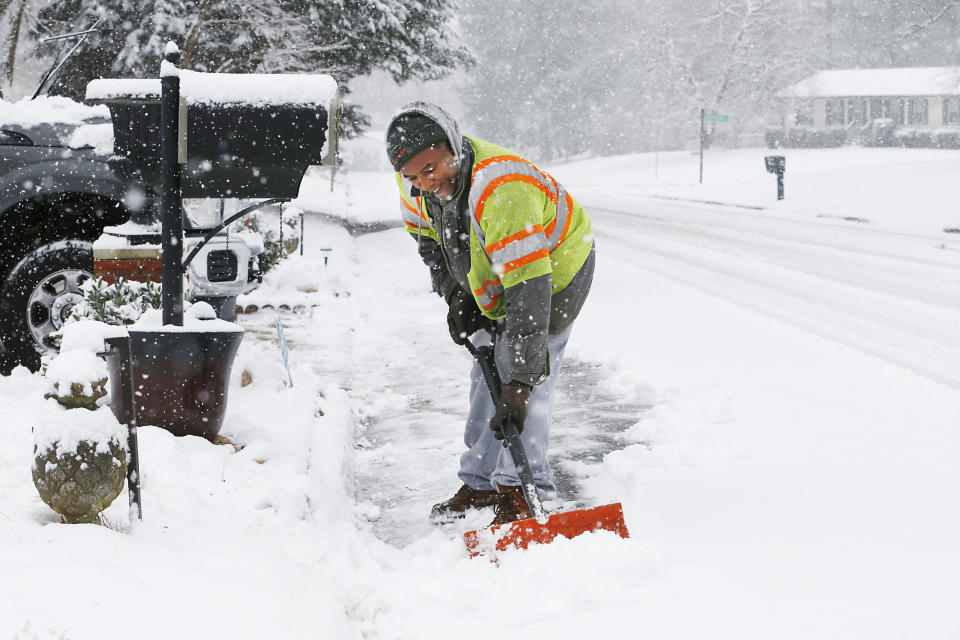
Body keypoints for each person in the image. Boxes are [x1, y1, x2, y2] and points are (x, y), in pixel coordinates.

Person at [385, 101, 596, 526]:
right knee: (486, 373)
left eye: (432, 169)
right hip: (500, 267)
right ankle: (481, 483)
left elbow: (529, 295)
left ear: (454, 148)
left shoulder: (503, 188)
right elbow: (431, 245)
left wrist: (518, 384)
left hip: (555, 272)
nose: (426, 183)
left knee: (525, 379)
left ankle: (525, 489)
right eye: (413, 176)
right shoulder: (414, 183)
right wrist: (455, 294)